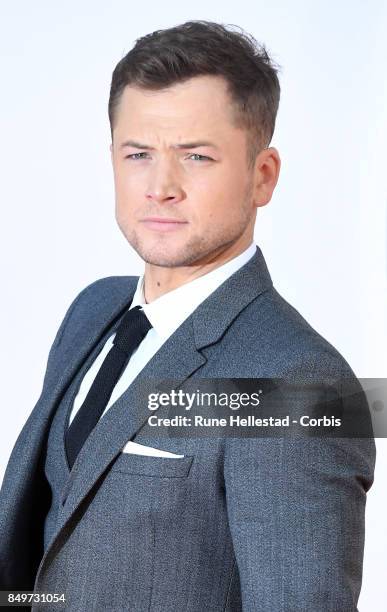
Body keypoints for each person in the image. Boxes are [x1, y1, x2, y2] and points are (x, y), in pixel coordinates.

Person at [0, 20, 375, 612]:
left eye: (196, 156)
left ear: (263, 176)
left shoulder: (300, 384)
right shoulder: (93, 309)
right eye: (138, 154)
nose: (160, 186)